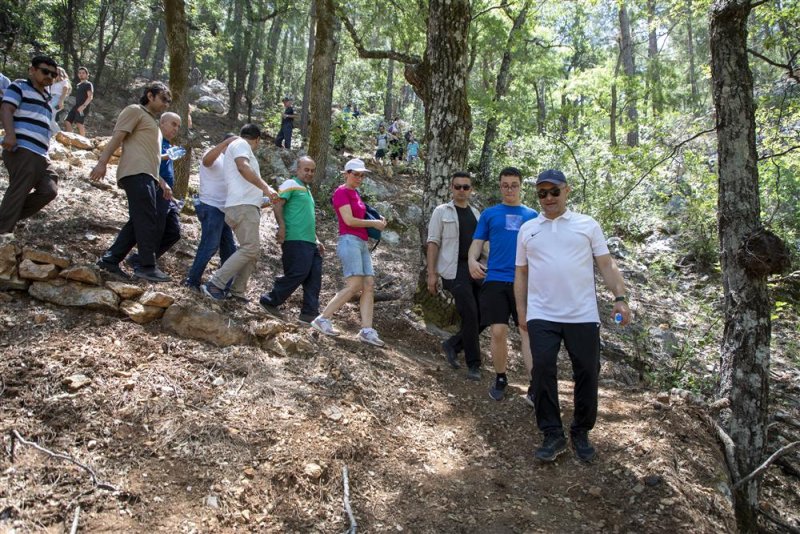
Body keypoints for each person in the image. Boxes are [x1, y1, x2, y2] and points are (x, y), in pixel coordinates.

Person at [514, 169, 631, 463]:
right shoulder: (528, 229)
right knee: (541, 368)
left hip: (582, 314)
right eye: (542, 193)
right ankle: (552, 433)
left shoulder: (587, 225)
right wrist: (521, 312)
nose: (548, 198)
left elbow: (606, 264)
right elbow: (521, 274)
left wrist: (620, 298)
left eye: (554, 191)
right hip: (542, 314)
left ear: (567, 191)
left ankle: (581, 430)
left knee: (587, 371)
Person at [90, 81, 173, 282]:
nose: (166, 104)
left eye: (169, 101)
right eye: (163, 99)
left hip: (148, 175)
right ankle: (146, 266)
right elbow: (117, 138)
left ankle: (110, 260)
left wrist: (161, 178)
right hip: (136, 173)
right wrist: (102, 162)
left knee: (140, 219)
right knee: (147, 218)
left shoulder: (152, 123)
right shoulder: (135, 111)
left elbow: (147, 153)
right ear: (150, 95)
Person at [468, 167, 537, 401]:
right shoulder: (490, 214)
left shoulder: (532, 215)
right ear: (500, 186)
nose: (510, 189)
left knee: (526, 330)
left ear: (520, 186)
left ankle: (535, 384)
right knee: (498, 331)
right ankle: (500, 376)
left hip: (525, 281)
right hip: (496, 278)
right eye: (505, 184)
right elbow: (477, 242)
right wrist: (471, 260)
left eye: (514, 184)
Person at [310, 158, 387, 346]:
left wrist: (377, 219)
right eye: (356, 174)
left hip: (361, 242)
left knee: (369, 284)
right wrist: (373, 223)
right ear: (346, 174)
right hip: (349, 240)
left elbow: (361, 216)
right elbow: (349, 220)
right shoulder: (341, 192)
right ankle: (322, 318)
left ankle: (367, 330)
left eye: (362, 175)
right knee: (354, 284)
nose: (359, 178)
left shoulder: (355, 193)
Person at [201, 123, 278, 301]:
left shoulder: (237, 147)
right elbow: (243, 167)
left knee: (252, 251)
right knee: (250, 248)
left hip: (246, 205)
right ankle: (215, 284)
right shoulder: (241, 144)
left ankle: (237, 291)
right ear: (257, 140)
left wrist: (265, 198)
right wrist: (266, 188)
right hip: (242, 206)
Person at [427, 172, 484, 380]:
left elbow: (483, 245)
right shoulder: (442, 211)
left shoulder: (477, 213)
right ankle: (474, 364)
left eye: (465, 187)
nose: (461, 191)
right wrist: (432, 274)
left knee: (486, 311)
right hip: (453, 269)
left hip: (475, 267)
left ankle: (453, 344)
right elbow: (433, 242)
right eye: (457, 187)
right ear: (451, 188)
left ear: (471, 189)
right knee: (469, 311)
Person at [0, 56, 60, 239]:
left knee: (49, 190)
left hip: (41, 154)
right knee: (19, 191)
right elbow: (6, 109)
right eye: (45, 71)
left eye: (53, 74)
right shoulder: (19, 87)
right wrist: (10, 135)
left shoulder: (47, 98)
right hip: (22, 149)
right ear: (32, 70)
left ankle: (6, 218)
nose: (49, 76)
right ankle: (3, 231)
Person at [259, 156, 323, 324]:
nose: (309, 173)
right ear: (298, 170)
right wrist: (282, 227)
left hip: (310, 241)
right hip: (295, 238)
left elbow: (305, 217)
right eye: (306, 169)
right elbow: (278, 204)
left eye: (312, 170)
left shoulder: (306, 190)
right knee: (298, 272)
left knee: (314, 277)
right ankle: (270, 301)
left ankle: (309, 314)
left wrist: (316, 240)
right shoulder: (290, 184)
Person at [124, 112, 183, 272]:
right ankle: (143, 264)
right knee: (154, 228)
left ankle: (141, 260)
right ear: (162, 123)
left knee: (173, 231)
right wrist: (163, 183)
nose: (176, 129)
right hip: (154, 189)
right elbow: (148, 163)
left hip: (166, 195)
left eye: (178, 126)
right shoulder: (154, 139)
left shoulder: (168, 146)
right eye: (173, 124)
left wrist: (173, 197)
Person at [183, 134, 239, 290]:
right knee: (209, 245)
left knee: (229, 249)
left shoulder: (232, 164)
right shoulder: (215, 153)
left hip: (223, 210)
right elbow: (207, 161)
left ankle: (223, 286)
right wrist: (226, 142)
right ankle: (191, 280)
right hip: (210, 206)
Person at [64, 66, 92, 137]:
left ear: (87, 74)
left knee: (79, 123)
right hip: (76, 106)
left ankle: (84, 141)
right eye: (79, 73)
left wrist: (83, 106)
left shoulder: (88, 84)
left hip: (83, 107)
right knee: (67, 121)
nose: (81, 74)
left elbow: (90, 96)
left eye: (83, 73)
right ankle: (69, 138)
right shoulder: (78, 85)